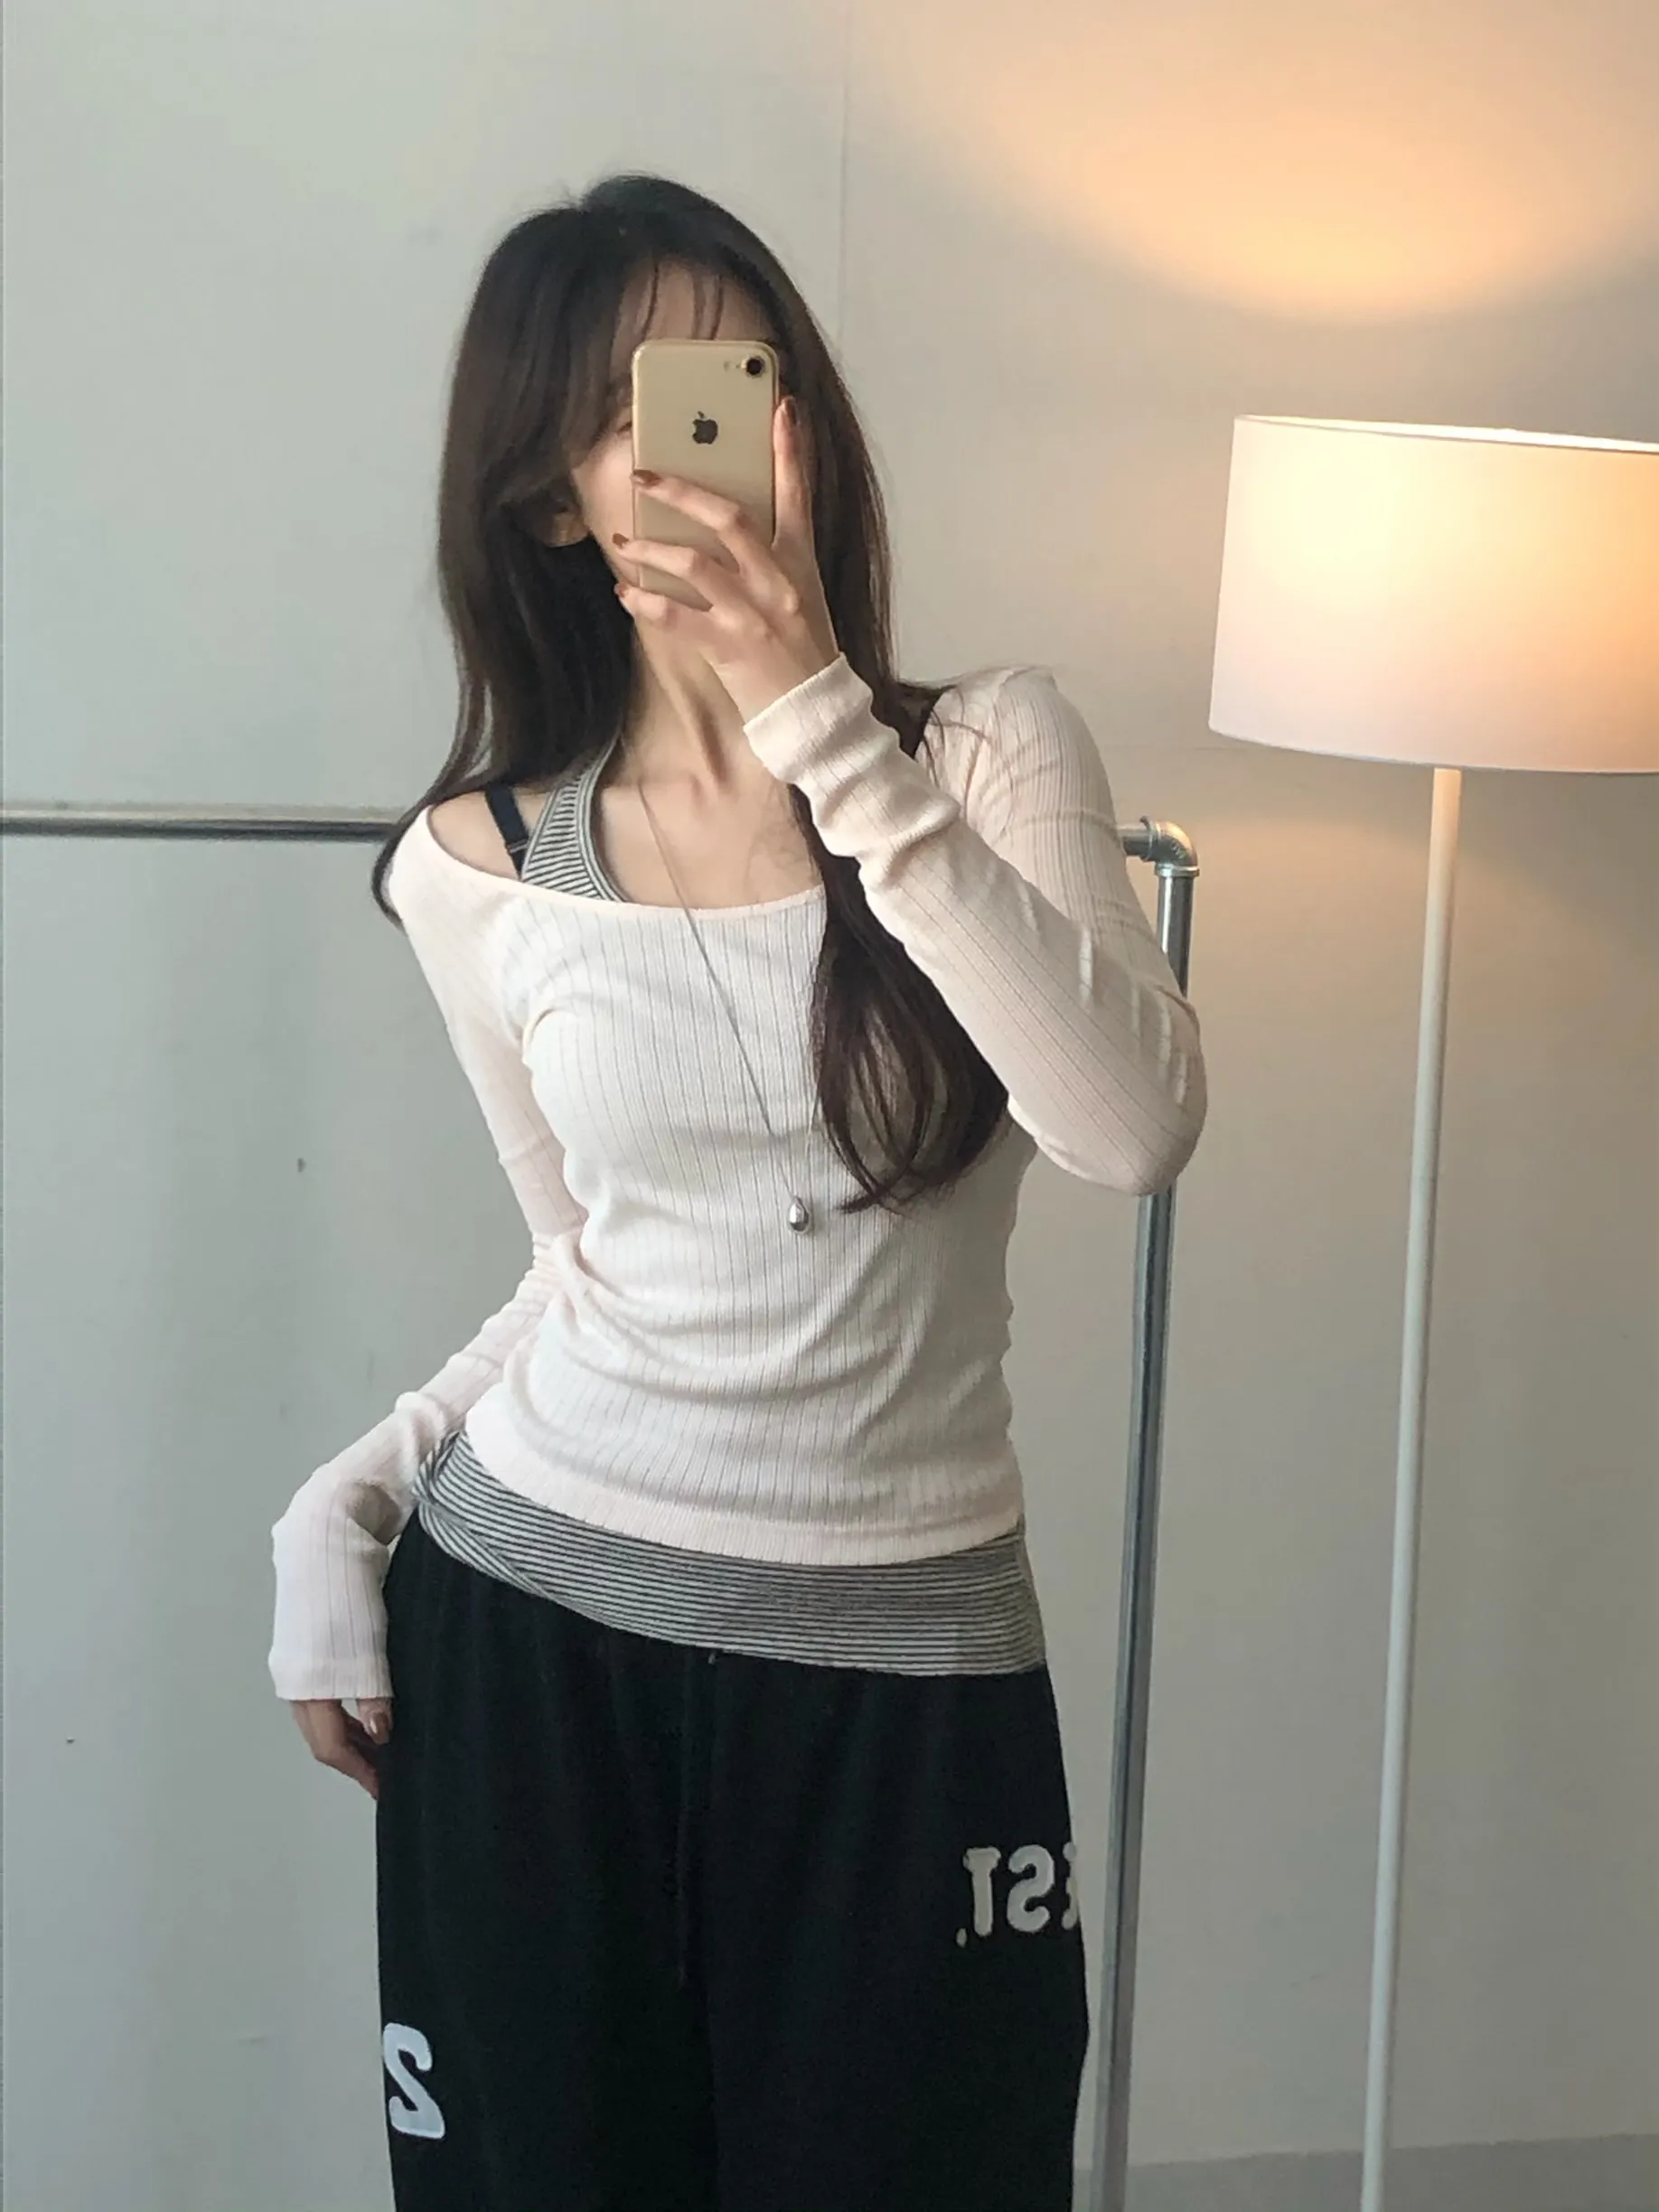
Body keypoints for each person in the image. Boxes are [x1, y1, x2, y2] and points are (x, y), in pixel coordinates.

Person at [267, 172, 1206, 2212]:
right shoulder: (477, 869)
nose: (712, 445)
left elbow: (1132, 1131)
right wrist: (354, 1494)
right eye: (638, 412)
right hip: (535, 1649)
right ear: (552, 499)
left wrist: (822, 730)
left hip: (909, 1686)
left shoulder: (989, 751)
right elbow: (586, 1271)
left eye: (738, 377)